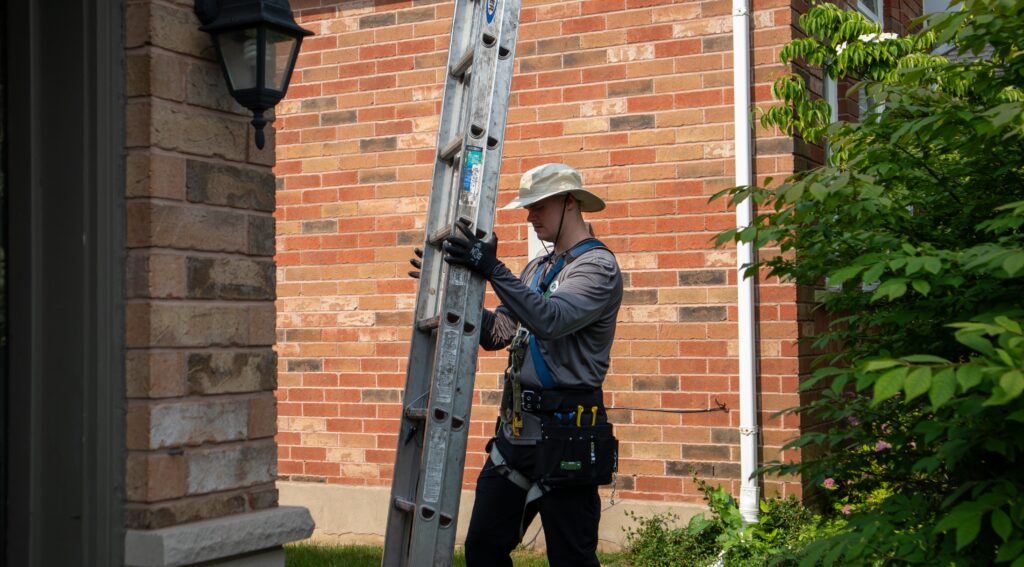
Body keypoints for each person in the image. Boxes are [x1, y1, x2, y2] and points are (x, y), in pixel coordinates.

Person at [416, 163, 623, 567]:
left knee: (572, 559)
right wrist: (451, 291)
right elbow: (498, 334)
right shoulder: (538, 268)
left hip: (567, 434)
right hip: (516, 438)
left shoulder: (597, 268)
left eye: (538, 206)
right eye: (527, 207)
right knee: (483, 549)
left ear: (569, 203)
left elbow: (550, 319)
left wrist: (492, 268)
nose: (529, 217)